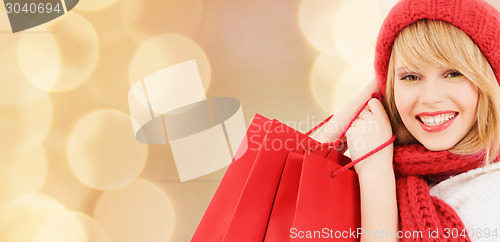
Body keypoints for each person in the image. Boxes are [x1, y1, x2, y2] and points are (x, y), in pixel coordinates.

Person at [312, 0, 500, 241]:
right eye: (411, 76)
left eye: (454, 73)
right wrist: (365, 99)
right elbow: (284, 182)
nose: (431, 97)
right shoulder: (382, 164)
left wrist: (376, 176)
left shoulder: (489, 196)